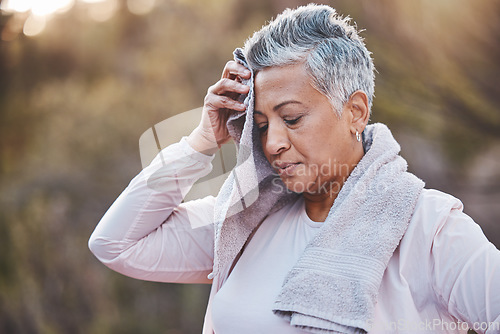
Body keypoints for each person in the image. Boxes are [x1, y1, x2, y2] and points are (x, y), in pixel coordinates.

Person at [89, 4, 500, 334]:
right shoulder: (244, 220)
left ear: (355, 112)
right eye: (263, 125)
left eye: (292, 118)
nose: (272, 143)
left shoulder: (431, 229)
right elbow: (115, 244)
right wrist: (200, 142)